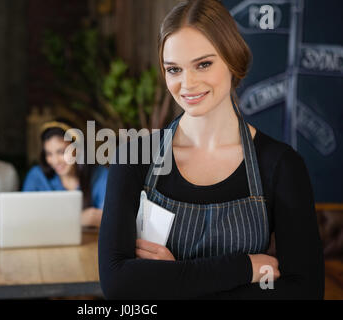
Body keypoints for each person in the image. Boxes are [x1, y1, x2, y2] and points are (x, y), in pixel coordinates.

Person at [98, 0, 324, 299]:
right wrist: (244, 268)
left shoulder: (281, 165)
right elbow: (117, 284)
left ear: (233, 61)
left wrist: (173, 280)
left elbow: (305, 291)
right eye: (174, 69)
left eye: (203, 64)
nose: (187, 84)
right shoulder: (132, 158)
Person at [22, 120, 108, 228]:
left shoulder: (100, 175)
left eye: (62, 152)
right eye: (49, 154)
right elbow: (26, 219)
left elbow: (113, 219)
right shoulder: (36, 176)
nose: (55, 161)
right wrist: (79, 219)